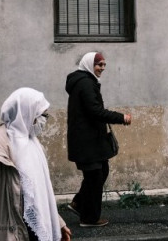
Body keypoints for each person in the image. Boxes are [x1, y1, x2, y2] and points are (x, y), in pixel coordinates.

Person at [0, 87, 72, 241]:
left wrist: (57, 223)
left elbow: (38, 192)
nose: (45, 120)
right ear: (26, 113)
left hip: (33, 232)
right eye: (43, 115)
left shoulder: (32, 144)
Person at [65, 52, 132, 227]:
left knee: (100, 172)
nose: (102, 68)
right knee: (95, 176)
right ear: (89, 64)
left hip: (91, 140)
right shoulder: (85, 83)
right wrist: (121, 117)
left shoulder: (85, 81)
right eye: (98, 64)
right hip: (86, 141)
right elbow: (94, 110)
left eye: (103, 65)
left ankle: (79, 203)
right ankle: (89, 218)